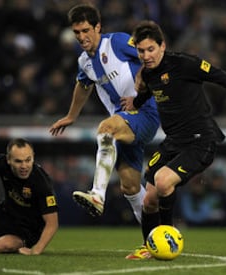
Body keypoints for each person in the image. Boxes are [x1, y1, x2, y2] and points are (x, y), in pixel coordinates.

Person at [128, 20, 226, 259]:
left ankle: (168, 238)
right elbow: (149, 91)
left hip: (200, 140)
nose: (146, 55)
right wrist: (136, 102)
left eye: (150, 49)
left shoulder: (184, 64)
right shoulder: (149, 73)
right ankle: (149, 246)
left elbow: (221, 76)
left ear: (162, 46)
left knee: (163, 182)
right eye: (141, 51)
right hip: (173, 142)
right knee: (149, 199)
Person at [49, 4, 160, 232]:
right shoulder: (84, 61)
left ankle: (97, 195)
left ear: (97, 27)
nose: (81, 37)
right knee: (130, 186)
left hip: (145, 112)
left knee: (106, 128)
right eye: (77, 32)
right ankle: (155, 237)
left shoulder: (117, 42)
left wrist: (140, 86)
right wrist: (71, 116)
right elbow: (83, 85)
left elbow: (153, 56)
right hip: (124, 124)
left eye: (86, 30)